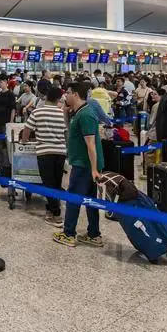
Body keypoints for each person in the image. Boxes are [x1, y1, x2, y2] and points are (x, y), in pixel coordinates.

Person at [53, 81, 103, 248]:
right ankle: (94, 234)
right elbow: (71, 132)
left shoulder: (86, 114)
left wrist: (94, 169)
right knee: (90, 200)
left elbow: (91, 144)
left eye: (67, 92)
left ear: (75, 94)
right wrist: (65, 112)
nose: (65, 96)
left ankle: (69, 234)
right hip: (84, 163)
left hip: (84, 165)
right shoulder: (79, 112)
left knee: (73, 198)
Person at [22, 84, 67, 227]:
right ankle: (51, 209)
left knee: (48, 183)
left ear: (46, 97)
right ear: (59, 99)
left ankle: (57, 215)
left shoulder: (37, 112)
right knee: (56, 183)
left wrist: (24, 140)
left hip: (44, 152)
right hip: (60, 152)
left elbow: (27, 129)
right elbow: (66, 133)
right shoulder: (62, 113)